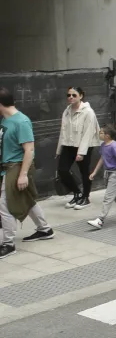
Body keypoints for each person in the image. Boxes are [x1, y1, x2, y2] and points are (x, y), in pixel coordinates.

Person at [0, 87, 54, 259]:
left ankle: (8, 244)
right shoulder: (5, 120)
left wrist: (23, 174)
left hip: (16, 167)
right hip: (8, 166)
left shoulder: (21, 122)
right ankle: (45, 229)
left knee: (5, 205)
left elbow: (29, 150)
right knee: (27, 199)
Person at [57, 86, 99, 208]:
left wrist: (81, 152)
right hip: (68, 144)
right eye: (69, 95)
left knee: (84, 172)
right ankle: (77, 193)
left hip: (84, 146)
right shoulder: (67, 111)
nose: (70, 97)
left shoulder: (88, 112)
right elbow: (63, 131)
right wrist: (59, 149)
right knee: (62, 170)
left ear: (81, 96)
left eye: (74, 95)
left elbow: (88, 133)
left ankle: (86, 197)